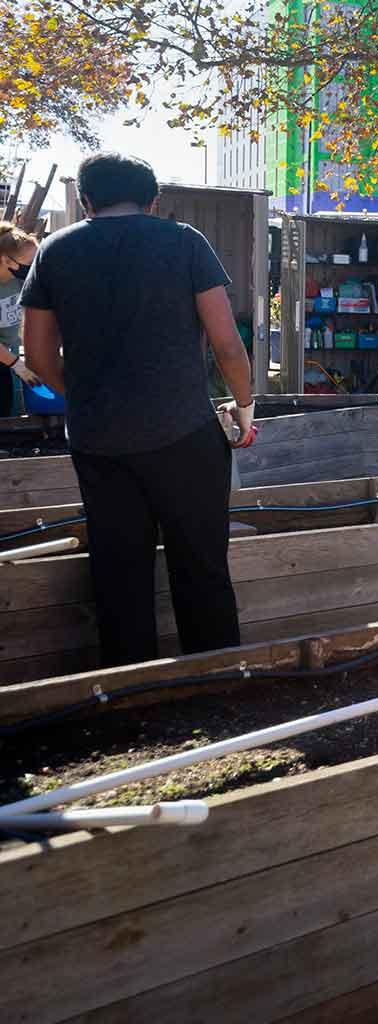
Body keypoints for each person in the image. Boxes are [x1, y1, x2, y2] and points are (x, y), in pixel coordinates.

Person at [21, 152, 257, 667]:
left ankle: (132, 695)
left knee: (118, 571)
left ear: (86, 200)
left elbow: (37, 356)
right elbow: (227, 344)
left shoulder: (55, 252)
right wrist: (243, 405)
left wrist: (85, 394)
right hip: (185, 434)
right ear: (153, 200)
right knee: (200, 565)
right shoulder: (184, 242)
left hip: (96, 439)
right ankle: (214, 683)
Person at [0, 221, 43, 418]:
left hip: (7, 351)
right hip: (5, 355)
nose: (33, 268)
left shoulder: (19, 281)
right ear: (6, 260)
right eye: (28, 263)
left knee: (8, 404)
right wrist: (18, 365)